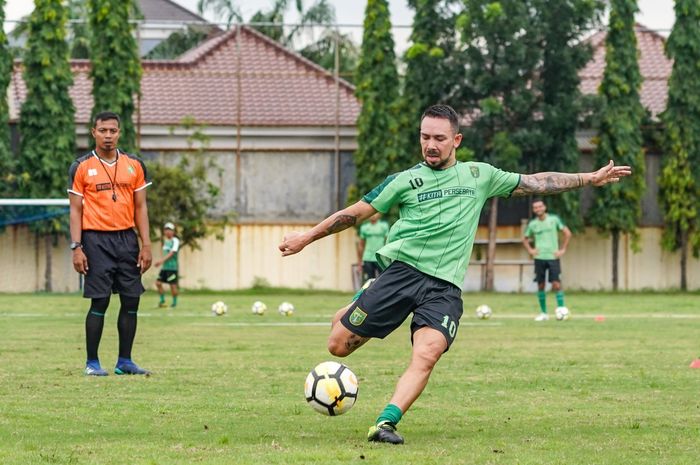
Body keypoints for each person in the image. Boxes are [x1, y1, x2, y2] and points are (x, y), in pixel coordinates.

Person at [278, 104, 631, 444]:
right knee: (337, 346)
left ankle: (386, 422)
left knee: (428, 353)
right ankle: (363, 297)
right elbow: (353, 214)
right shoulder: (403, 181)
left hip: (444, 288)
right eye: (425, 137)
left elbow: (536, 183)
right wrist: (306, 237)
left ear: (456, 140)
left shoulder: (481, 175)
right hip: (402, 274)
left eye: (439, 138)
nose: (431, 145)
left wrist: (589, 177)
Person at [68, 111, 153, 376]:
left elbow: (141, 207)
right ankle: (92, 363)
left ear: (119, 132)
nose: (108, 136)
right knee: (100, 301)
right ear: (93, 132)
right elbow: (75, 211)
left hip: (127, 239)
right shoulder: (81, 166)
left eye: (112, 131)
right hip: (95, 240)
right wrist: (76, 247)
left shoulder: (134, 165)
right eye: (102, 130)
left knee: (131, 300)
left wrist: (146, 244)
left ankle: (124, 361)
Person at [523, 200, 572, 321]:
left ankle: (561, 310)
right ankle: (544, 313)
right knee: (541, 285)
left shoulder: (554, 220)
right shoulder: (533, 224)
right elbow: (525, 238)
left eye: (540, 206)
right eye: (535, 207)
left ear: (544, 207)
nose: (538, 209)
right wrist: (531, 250)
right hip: (539, 258)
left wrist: (562, 249)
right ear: (534, 210)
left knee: (556, 284)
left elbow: (567, 233)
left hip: (553, 257)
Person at [154, 222, 180, 308]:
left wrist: (161, 261)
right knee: (158, 283)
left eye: (170, 230)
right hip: (165, 268)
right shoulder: (166, 241)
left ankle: (174, 303)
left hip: (172, 268)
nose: (168, 231)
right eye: (166, 230)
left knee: (172, 286)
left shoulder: (175, 240)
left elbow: (172, 253)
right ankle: (162, 301)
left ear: (173, 232)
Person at [357, 213, 389, 281]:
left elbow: (388, 242)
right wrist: (359, 261)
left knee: (382, 280)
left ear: (379, 215)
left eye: (375, 213)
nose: (373, 215)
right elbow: (361, 245)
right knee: (369, 280)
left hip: (380, 257)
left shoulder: (384, 226)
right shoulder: (364, 227)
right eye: (371, 213)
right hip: (367, 258)